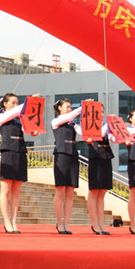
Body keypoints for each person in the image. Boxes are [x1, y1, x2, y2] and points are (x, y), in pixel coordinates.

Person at [0, 93, 39, 234]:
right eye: (12, 103)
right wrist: (28, 102)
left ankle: (14, 221)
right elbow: (14, 112)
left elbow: (29, 128)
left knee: (16, 190)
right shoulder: (1, 117)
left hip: (20, 152)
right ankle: (6, 221)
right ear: (5, 104)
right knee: (6, 189)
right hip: (8, 152)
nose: (15, 105)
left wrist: (34, 131)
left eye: (17, 103)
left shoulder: (20, 119)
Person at [81, 102, 113, 235]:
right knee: (94, 191)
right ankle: (95, 224)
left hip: (106, 156)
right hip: (95, 157)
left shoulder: (106, 125)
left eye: (101, 111)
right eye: (97, 112)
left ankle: (101, 224)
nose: (100, 114)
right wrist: (109, 124)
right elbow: (99, 133)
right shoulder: (88, 125)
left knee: (102, 192)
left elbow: (112, 137)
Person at [51, 98, 82, 234]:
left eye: (70, 107)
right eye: (67, 107)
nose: (69, 109)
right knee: (60, 190)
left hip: (73, 155)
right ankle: (59, 222)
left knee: (70, 192)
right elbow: (70, 116)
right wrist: (82, 108)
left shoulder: (72, 124)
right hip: (61, 155)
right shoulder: (56, 121)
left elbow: (82, 132)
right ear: (59, 108)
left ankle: (66, 223)